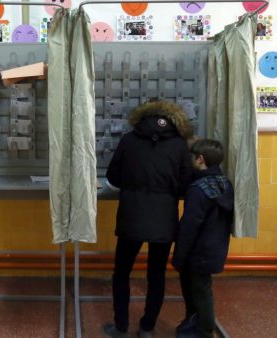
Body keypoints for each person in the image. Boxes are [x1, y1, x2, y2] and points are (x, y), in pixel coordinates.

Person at [102, 100, 193, 338]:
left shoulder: (129, 140)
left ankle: (120, 327)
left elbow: (113, 176)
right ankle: (146, 328)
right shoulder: (180, 145)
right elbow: (185, 185)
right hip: (164, 220)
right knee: (156, 275)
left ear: (142, 116)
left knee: (121, 273)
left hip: (132, 216)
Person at [171, 139, 234, 338]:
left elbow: (189, 227)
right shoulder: (225, 183)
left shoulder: (197, 189)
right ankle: (194, 324)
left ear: (200, 159)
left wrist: (179, 256)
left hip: (197, 252)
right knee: (200, 289)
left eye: (192, 156)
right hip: (216, 248)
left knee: (200, 292)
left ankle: (205, 331)